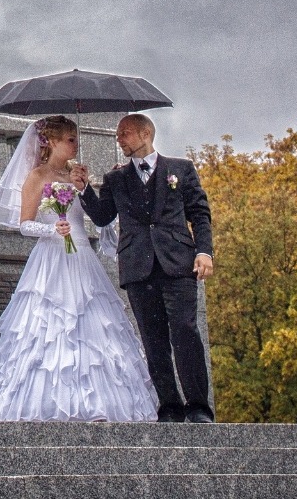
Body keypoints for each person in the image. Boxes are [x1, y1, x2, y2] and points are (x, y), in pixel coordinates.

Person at [0, 115, 160, 422]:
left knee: (96, 324)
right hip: (53, 256)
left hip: (82, 257)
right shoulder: (37, 176)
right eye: (71, 139)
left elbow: (98, 215)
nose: (76, 143)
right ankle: (46, 403)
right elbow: (24, 224)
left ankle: (101, 403)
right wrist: (51, 230)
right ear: (53, 142)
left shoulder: (76, 174)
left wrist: (85, 187)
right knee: (51, 328)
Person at [79, 113, 216, 422]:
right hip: (138, 267)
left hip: (178, 264)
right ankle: (169, 406)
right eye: (118, 134)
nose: (119, 139)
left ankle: (197, 407)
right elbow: (102, 217)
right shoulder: (116, 179)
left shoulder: (180, 170)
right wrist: (85, 188)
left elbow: (199, 213)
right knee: (153, 340)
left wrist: (204, 252)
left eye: (124, 133)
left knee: (185, 332)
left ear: (144, 134)